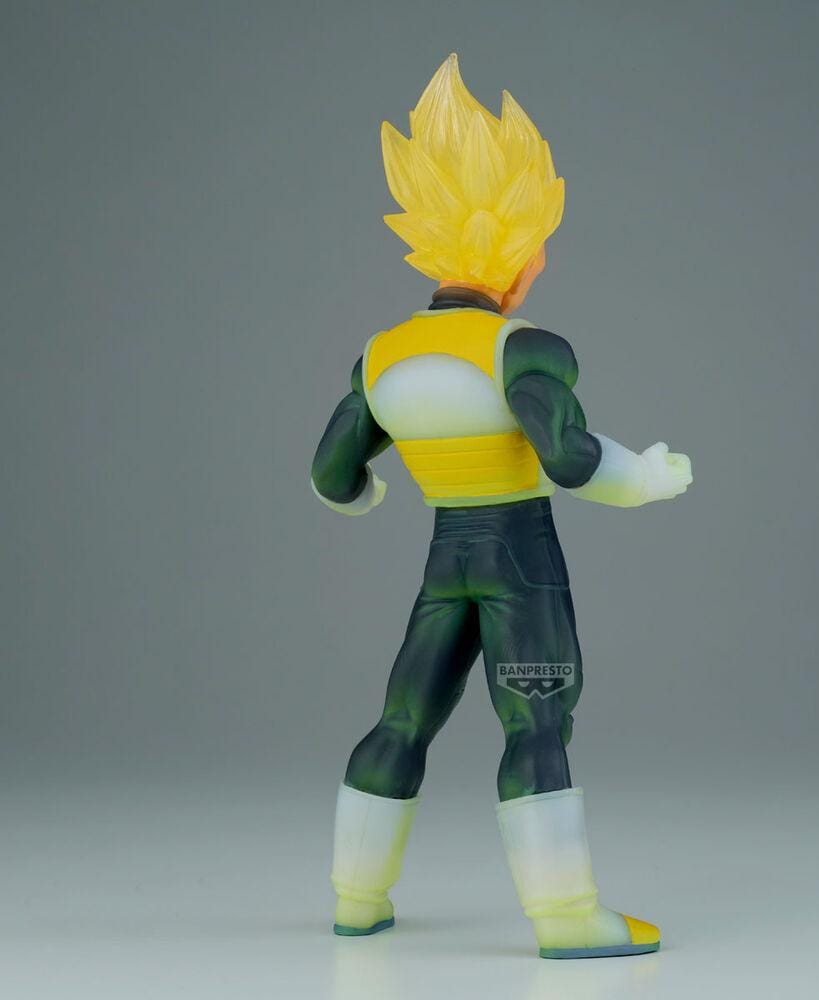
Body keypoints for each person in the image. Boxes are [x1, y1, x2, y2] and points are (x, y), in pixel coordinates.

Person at [311, 54, 692, 959]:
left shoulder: (381, 356)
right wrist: (647, 477)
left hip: (444, 564)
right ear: (517, 252)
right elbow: (567, 457)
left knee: (403, 718)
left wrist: (369, 491)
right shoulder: (523, 347)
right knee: (537, 721)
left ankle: (356, 900)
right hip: (521, 562)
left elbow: (332, 474)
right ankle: (566, 916)